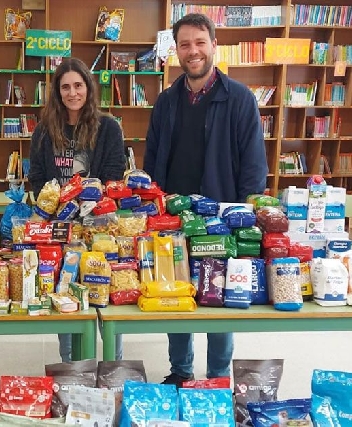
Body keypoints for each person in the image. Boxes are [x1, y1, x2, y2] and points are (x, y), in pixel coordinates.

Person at [144, 13, 268, 387]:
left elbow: (253, 166)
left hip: (223, 220)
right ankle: (181, 372)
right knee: (175, 294)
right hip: (175, 220)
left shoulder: (240, 99)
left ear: (214, 45)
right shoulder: (166, 102)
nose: (193, 51)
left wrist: (245, 216)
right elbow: (152, 162)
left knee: (221, 300)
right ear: (176, 51)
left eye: (200, 42)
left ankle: (216, 378)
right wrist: (155, 208)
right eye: (185, 45)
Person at [29, 57, 126, 362]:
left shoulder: (108, 127)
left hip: (100, 228)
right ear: (57, 93)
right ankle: (72, 370)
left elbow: (113, 176)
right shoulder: (45, 130)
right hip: (60, 231)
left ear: (88, 88)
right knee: (66, 297)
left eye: (78, 85)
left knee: (105, 303)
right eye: (65, 87)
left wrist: (87, 202)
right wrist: (54, 206)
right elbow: (37, 178)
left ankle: (112, 367)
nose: (72, 93)